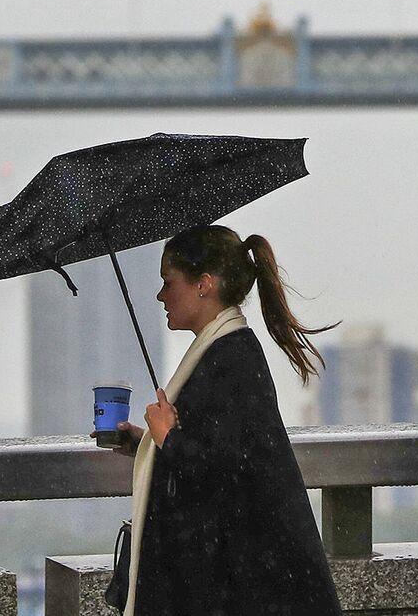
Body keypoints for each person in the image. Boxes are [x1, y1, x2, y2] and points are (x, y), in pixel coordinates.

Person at [107, 224, 343, 616]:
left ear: (204, 284)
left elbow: (227, 466)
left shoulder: (232, 357)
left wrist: (168, 437)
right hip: (238, 577)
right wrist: (144, 442)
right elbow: (221, 449)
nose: (161, 295)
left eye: (169, 282)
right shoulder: (222, 351)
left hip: (242, 581)